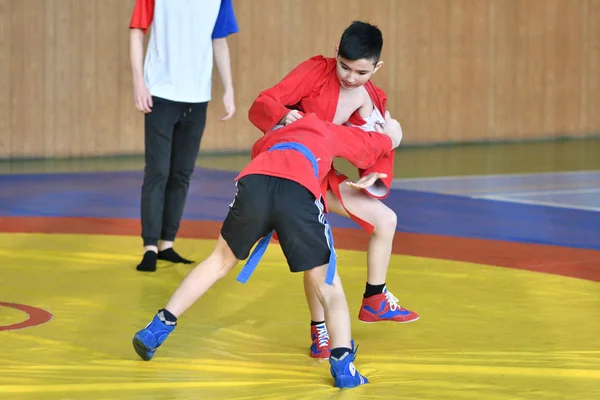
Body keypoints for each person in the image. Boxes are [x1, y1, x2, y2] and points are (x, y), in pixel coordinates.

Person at [131, 111, 404, 389]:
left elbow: (269, 166)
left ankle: (156, 328)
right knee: (327, 284)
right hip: (296, 189)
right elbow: (371, 146)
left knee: (219, 261)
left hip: (254, 182)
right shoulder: (327, 129)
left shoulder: (272, 135)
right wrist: (392, 136)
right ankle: (344, 364)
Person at [248, 21, 418, 359]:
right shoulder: (315, 70)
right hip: (293, 172)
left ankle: (375, 297)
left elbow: (378, 146)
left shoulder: (373, 98)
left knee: (386, 220)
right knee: (319, 255)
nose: (350, 77)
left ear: (376, 68)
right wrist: (285, 117)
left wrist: (375, 176)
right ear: (335, 53)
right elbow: (265, 102)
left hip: (323, 174)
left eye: (361, 71)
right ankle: (320, 330)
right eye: (344, 66)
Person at [129, 0, 238, 272]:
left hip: (198, 97)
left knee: (181, 174)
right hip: (161, 94)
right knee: (157, 172)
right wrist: (138, 82)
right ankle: (150, 247)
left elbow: (219, 39)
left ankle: (167, 243)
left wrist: (228, 88)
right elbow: (136, 30)